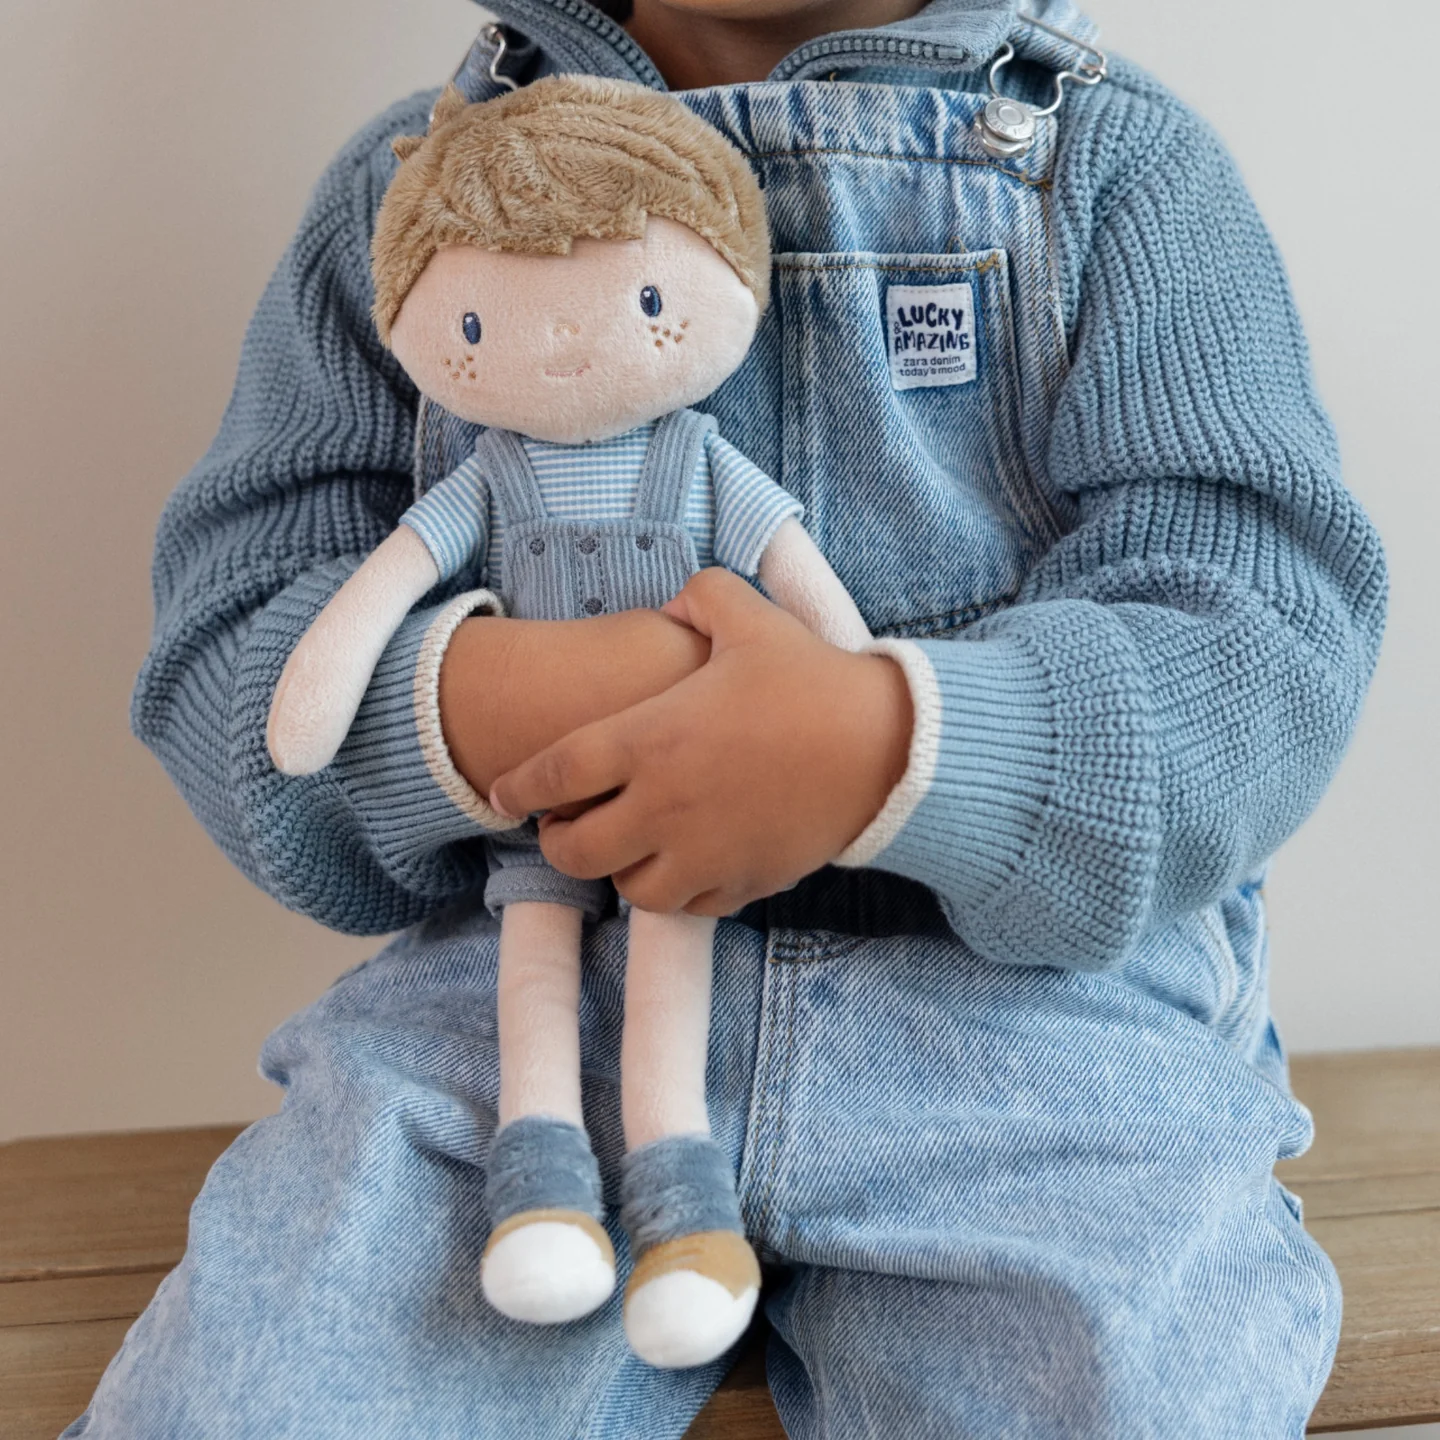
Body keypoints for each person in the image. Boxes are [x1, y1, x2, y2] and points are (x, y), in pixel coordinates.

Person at [77, 0, 1386, 1432]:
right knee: (271, 1397)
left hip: (1032, 1045)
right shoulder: (407, 191)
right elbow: (234, 644)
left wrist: (890, 746)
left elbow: (1257, 629)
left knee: (1118, 1390)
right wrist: (491, 705)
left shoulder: (1114, 177)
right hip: (523, 1032)